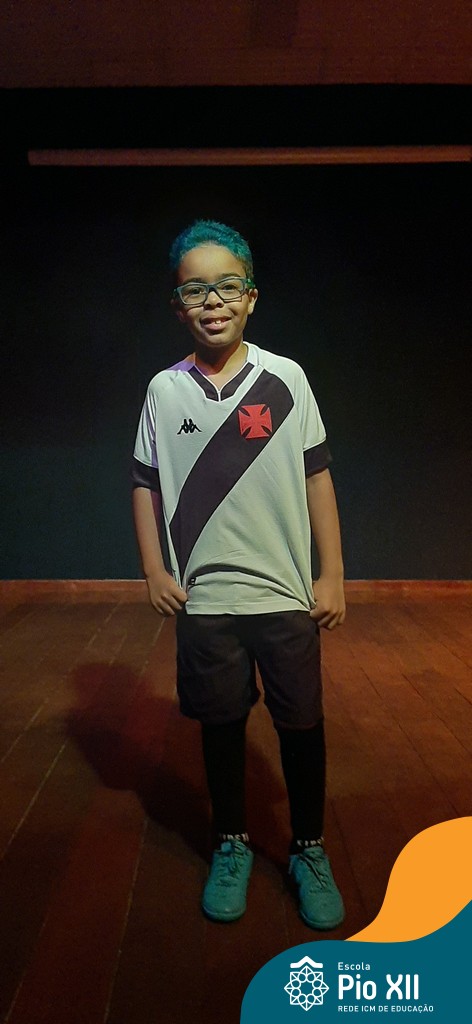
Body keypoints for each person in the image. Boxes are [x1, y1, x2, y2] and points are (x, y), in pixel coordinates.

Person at [131, 219, 346, 930]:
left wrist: (332, 573)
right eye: (195, 289)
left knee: (301, 724)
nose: (212, 301)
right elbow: (143, 483)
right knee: (221, 726)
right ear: (178, 305)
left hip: (285, 594)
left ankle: (309, 847)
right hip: (205, 602)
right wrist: (153, 569)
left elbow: (316, 477)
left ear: (251, 296)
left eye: (226, 285)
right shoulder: (164, 390)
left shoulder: (285, 380)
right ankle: (231, 841)